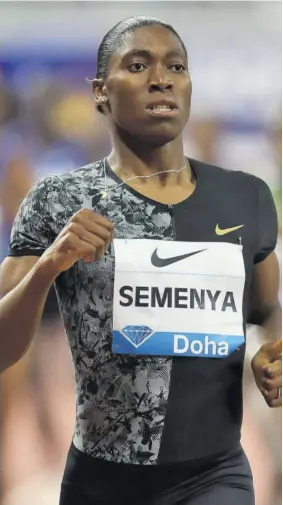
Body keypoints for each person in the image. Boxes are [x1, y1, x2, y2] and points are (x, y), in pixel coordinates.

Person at [0, 16, 281, 505]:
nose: (161, 78)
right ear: (100, 92)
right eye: (137, 65)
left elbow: (264, 316)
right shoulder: (57, 200)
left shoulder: (245, 197)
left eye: (176, 66)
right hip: (101, 478)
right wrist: (48, 266)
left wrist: (268, 353)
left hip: (214, 475)